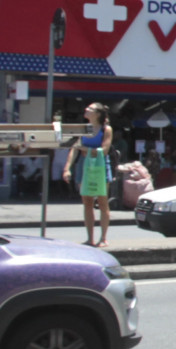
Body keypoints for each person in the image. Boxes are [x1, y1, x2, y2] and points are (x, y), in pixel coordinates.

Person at [65, 103, 114, 246]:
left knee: (102, 202)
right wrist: (67, 168)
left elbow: (104, 150)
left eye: (90, 109)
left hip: (100, 166)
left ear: (98, 114)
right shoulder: (84, 128)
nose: (86, 110)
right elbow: (74, 149)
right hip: (84, 165)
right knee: (87, 202)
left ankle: (103, 238)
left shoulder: (106, 129)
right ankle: (90, 238)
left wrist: (84, 148)